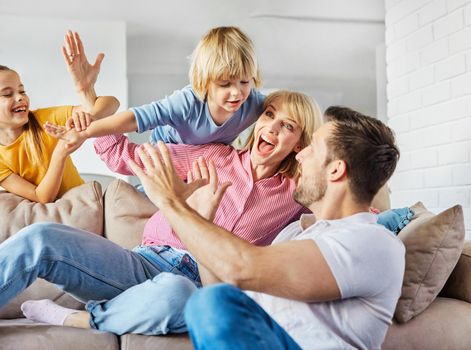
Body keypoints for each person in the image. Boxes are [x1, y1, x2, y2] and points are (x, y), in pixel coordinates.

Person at [0, 90, 321, 335]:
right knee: (42, 237)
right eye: (268, 115)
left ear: (298, 144)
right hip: (145, 263)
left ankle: (81, 318)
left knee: (176, 294)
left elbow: (347, 201)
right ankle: (119, 310)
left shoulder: (296, 193)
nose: (272, 127)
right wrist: (88, 96)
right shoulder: (213, 156)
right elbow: (124, 155)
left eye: (288, 125)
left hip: (199, 285)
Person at [113, 106, 405, 349]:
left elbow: (240, 270)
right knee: (208, 300)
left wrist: (171, 203)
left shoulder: (373, 241)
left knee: (213, 302)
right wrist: (202, 217)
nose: (300, 155)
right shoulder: (294, 233)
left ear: (336, 170)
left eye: (312, 148)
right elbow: (221, 287)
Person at [44, 26, 265, 151]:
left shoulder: (254, 103)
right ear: (205, 82)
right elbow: (135, 119)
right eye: (225, 84)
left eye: (245, 82)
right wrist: (84, 133)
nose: (237, 93)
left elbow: (286, 108)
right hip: (168, 151)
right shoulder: (187, 103)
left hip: (207, 157)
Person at [0, 31, 119, 202]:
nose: (20, 97)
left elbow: (112, 103)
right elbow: (42, 197)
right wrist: (61, 152)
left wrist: (85, 92)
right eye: (7, 94)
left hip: (84, 205)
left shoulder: (43, 119)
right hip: (54, 215)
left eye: (22, 90)